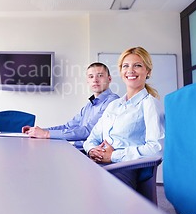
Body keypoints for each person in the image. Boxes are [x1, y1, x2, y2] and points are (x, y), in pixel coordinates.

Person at [83, 46, 165, 189]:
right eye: (125, 66)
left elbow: (156, 149)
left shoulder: (149, 104)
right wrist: (92, 150)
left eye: (137, 66)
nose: (130, 70)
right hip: (99, 163)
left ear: (148, 71)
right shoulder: (114, 105)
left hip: (123, 169)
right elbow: (92, 138)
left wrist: (113, 156)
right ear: (121, 72)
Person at [22, 62, 119, 151]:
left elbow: (88, 131)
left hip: (94, 155)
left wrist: (46, 134)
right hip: (79, 150)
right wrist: (39, 131)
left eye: (100, 75)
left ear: (109, 79)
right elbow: (68, 126)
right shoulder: (89, 105)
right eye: (91, 76)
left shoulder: (112, 101)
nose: (95, 80)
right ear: (87, 81)